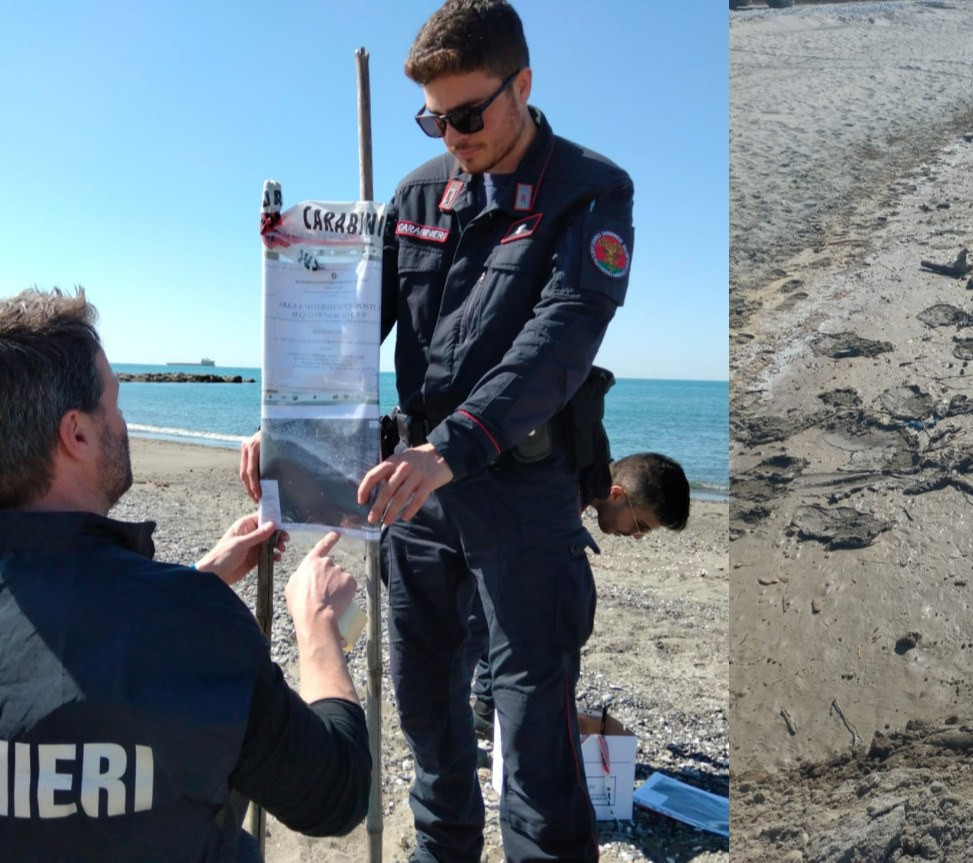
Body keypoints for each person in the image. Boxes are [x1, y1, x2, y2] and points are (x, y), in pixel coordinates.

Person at [241, 3, 635, 859]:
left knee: (532, 734)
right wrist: (285, 426)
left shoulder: (591, 191)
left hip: (520, 494)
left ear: (521, 85)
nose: (451, 134)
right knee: (423, 708)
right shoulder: (418, 192)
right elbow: (348, 331)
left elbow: (560, 338)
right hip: (415, 495)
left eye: (467, 114)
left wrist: (453, 447)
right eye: (433, 117)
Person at [0, 288, 371, 862]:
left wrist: (198, 580)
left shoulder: (185, 613)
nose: (123, 424)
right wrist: (318, 630)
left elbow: (52, 651)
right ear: (75, 434)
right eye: (115, 404)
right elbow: (335, 793)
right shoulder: (197, 627)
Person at [470, 451, 692, 739]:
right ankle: (482, 715)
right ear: (616, 495)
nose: (637, 536)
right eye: (640, 526)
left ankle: (488, 708)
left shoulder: (583, 470)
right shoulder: (560, 493)